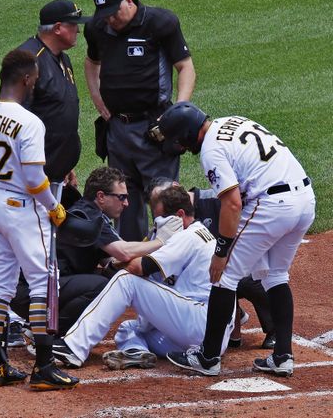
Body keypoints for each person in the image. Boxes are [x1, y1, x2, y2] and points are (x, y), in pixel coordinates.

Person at [157, 102, 316, 376]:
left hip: (272, 205)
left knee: (223, 276)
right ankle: (282, 357)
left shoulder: (210, 150)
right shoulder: (233, 120)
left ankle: (207, 358)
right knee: (276, 275)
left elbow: (232, 204)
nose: (179, 146)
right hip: (304, 200)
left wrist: (221, 251)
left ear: (185, 134)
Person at [0, 49, 79, 390]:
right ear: (26, 79)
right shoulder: (29, 121)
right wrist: (54, 208)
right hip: (23, 206)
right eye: (36, 77)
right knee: (43, 282)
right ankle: (44, 367)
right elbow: (34, 178)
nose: (37, 82)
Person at [49, 186, 235, 370]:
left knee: (126, 280)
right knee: (129, 329)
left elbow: (139, 268)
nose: (158, 224)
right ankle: (136, 352)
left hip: (199, 323)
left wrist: (128, 258)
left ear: (179, 215)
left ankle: (74, 347)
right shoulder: (199, 234)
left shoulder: (188, 236)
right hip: (204, 335)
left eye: (161, 219)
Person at [10, 167, 183, 349]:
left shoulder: (94, 214)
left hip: (39, 288)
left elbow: (115, 259)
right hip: (32, 292)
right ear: (101, 196)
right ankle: (50, 335)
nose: (126, 203)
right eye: (121, 197)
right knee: (103, 286)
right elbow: (124, 252)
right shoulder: (88, 216)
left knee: (110, 278)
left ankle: (41, 326)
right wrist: (161, 241)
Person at [84, 0, 196, 241]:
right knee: (122, 201)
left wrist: (178, 112)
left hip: (154, 128)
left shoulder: (160, 22)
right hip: (117, 131)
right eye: (105, 13)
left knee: (164, 199)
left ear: (130, 0)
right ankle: (132, 266)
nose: (111, 19)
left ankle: (171, 266)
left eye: (115, 11)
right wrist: (97, 98)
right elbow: (92, 62)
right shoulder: (97, 27)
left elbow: (185, 66)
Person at [146, 177, 276, 350]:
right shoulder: (168, 218)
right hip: (207, 274)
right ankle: (231, 327)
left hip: (243, 255)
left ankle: (276, 329)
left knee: (242, 278)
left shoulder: (217, 200)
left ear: (176, 189)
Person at [18, 0, 92, 183]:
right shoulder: (27, 61)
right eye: (74, 25)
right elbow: (15, 119)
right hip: (35, 174)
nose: (79, 30)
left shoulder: (63, 59)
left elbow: (58, 113)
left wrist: (66, 164)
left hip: (58, 171)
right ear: (58, 28)